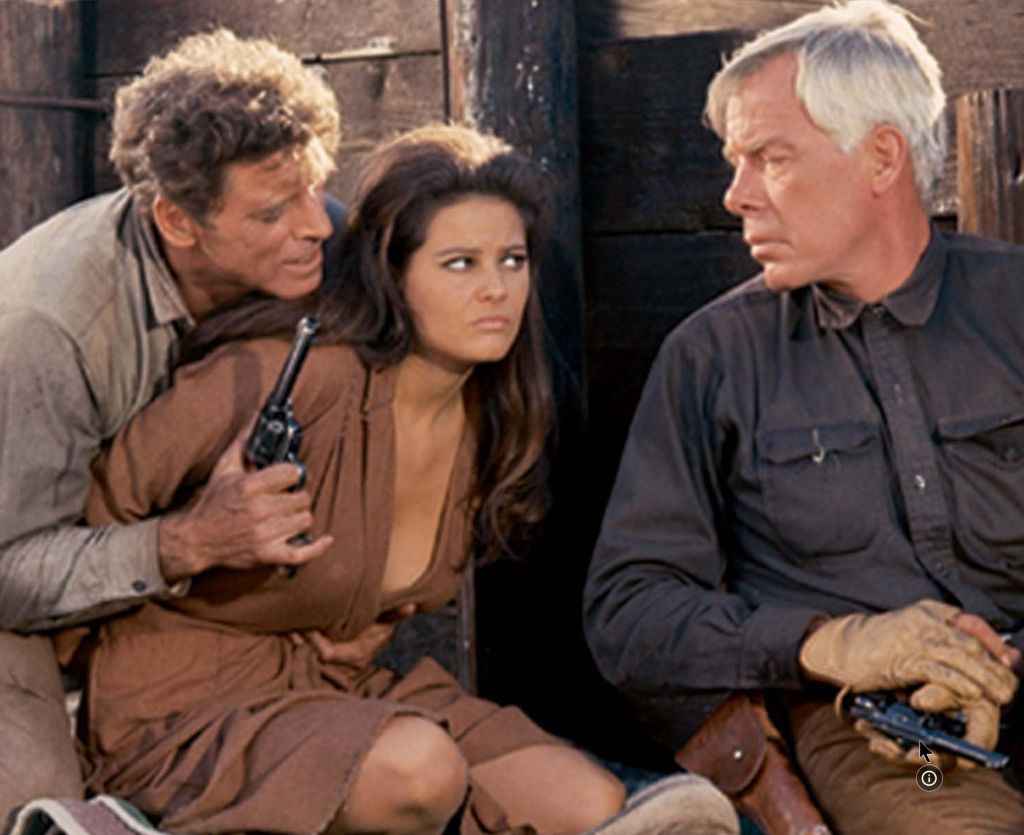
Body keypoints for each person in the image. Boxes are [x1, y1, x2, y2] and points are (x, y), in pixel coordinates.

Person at [73, 124, 741, 835]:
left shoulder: (492, 416)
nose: (496, 289)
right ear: (393, 275)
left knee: (586, 802)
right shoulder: (280, 377)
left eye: (511, 260)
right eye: (460, 264)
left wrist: (357, 623)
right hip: (182, 707)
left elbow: (370, 580)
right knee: (422, 771)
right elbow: (102, 508)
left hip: (340, 693)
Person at [583, 2, 1024, 833]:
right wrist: (833, 642)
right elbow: (628, 611)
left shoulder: (1014, 305)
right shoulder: (713, 356)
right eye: (735, 162)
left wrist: (999, 661)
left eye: (771, 158)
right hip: (902, 744)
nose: (736, 195)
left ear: (881, 156)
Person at [0, 28, 345, 816]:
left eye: (316, 187)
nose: (319, 225)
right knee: (37, 810)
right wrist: (186, 542)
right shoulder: (50, 327)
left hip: (146, 584)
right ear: (179, 221)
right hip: (17, 587)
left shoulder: (317, 239)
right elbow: (7, 571)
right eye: (273, 211)